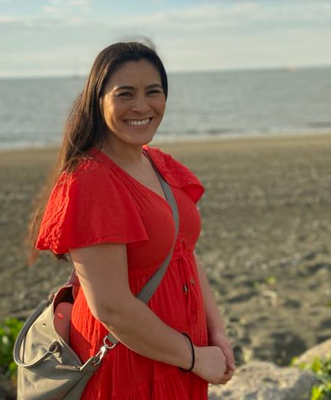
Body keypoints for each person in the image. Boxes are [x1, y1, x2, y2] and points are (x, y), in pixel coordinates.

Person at [27, 41, 236, 400]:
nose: (141, 106)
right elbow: (111, 307)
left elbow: (184, 254)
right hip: (129, 367)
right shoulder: (90, 181)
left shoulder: (160, 165)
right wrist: (193, 357)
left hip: (181, 357)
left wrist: (216, 331)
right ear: (99, 100)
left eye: (152, 92)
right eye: (125, 94)